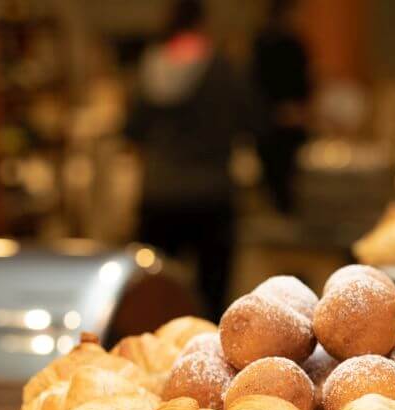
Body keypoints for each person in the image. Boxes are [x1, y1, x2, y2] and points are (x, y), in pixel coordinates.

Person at [125, 0, 258, 319]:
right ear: (202, 23)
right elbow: (251, 121)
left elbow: (132, 130)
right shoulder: (221, 68)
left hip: (159, 194)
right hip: (211, 196)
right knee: (212, 303)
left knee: (153, 296)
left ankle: (151, 358)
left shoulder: (149, 66)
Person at [252, 0, 312, 214]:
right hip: (272, 126)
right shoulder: (268, 43)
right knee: (278, 183)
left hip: (281, 124)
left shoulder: (289, 43)